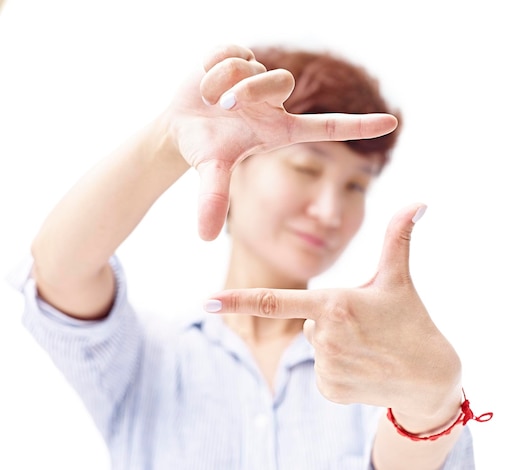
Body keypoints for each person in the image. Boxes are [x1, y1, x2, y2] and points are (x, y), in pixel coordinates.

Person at [8, 43, 490, 469]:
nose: (329, 210)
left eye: (356, 185)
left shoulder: (368, 362)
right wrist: (168, 139)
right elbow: (59, 271)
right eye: (305, 167)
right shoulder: (152, 356)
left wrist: (429, 408)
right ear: (236, 166)